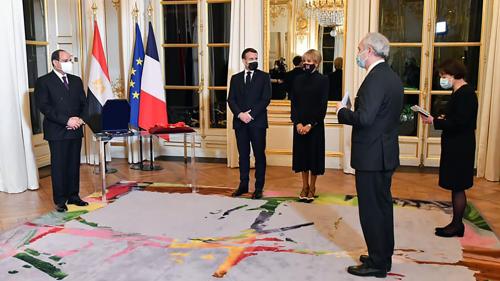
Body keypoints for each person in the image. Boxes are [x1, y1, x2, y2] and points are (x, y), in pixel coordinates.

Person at [337, 33, 403, 278]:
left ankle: (377, 263)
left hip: (372, 156)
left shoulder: (376, 78)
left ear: (370, 51)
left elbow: (364, 119)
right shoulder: (392, 77)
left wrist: (343, 112)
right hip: (384, 153)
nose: (358, 54)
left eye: (359, 49)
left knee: (371, 210)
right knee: (383, 207)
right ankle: (382, 256)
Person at [421, 59, 478, 238]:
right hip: (456, 144)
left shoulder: (466, 93)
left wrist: (435, 121)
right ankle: (456, 223)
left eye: (443, 76)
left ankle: (456, 225)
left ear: (453, 75)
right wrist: (443, 118)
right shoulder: (459, 92)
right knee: (456, 186)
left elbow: (460, 123)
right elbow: (457, 117)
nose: (442, 79)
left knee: (458, 186)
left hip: (460, 146)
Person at [35, 49, 89, 212]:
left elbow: (85, 104)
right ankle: (60, 200)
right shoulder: (44, 81)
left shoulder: (76, 80)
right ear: (55, 62)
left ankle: (74, 196)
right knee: (59, 166)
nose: (69, 63)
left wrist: (80, 119)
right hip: (57, 130)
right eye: (65, 60)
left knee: (74, 164)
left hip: (76, 129)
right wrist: (67, 120)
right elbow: (44, 107)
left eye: (70, 60)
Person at [228, 48, 272, 199]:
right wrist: (240, 115)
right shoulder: (235, 78)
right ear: (244, 61)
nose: (254, 61)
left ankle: (259, 187)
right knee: (243, 156)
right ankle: (243, 185)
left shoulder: (264, 77)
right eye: (251, 58)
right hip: (240, 123)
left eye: (256, 58)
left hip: (257, 123)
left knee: (259, 155)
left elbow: (265, 99)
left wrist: (251, 115)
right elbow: (231, 100)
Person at [290, 49, 329, 202]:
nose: (306, 64)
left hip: (315, 125)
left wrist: (310, 124)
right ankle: (304, 186)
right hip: (299, 125)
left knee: (313, 158)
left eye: (310, 61)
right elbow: (294, 103)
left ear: (317, 63)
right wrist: (298, 122)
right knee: (302, 157)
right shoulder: (297, 79)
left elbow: (322, 106)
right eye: (305, 61)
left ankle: (312, 187)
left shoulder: (323, 80)